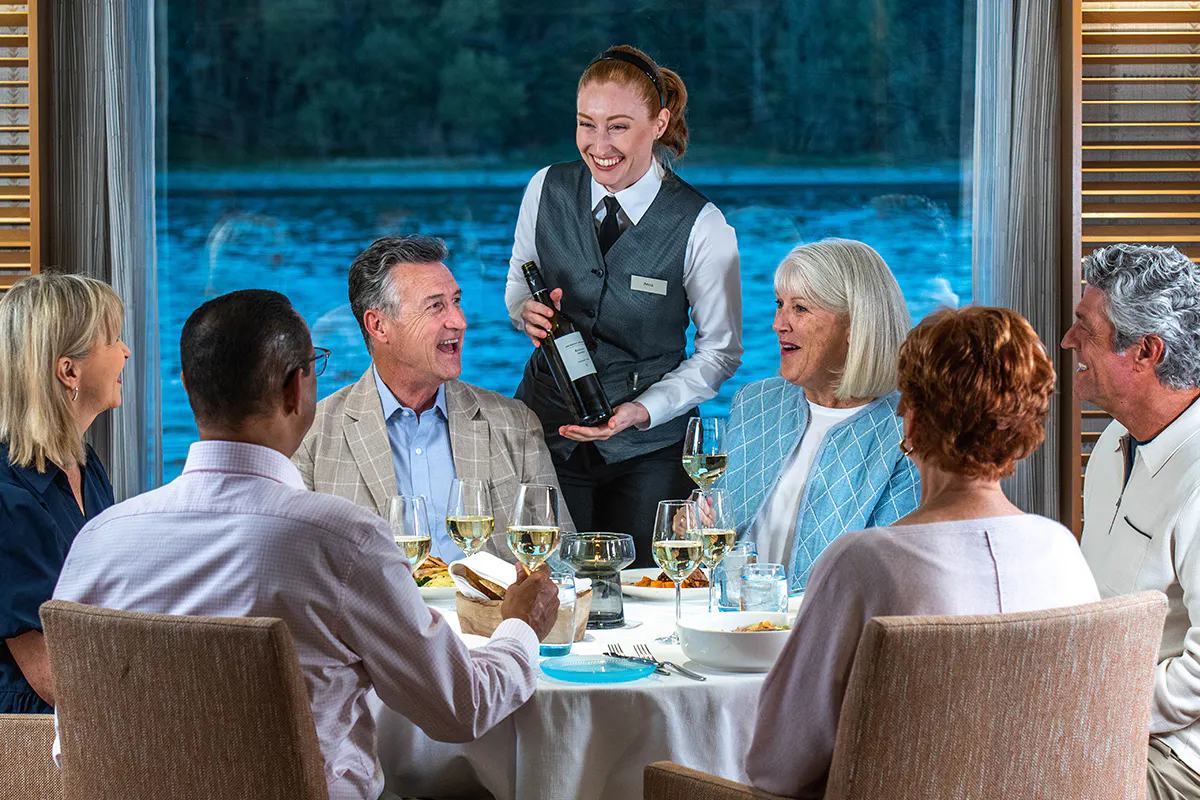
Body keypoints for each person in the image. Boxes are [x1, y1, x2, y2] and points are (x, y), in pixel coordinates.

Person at [53, 290, 560, 800]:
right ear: (298, 389)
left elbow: (67, 745)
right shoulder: (345, 543)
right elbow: (461, 708)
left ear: (188, 389)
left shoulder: (97, 542)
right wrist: (521, 626)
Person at [746, 306, 1100, 798]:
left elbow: (776, 767)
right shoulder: (1062, 551)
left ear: (910, 420)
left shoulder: (863, 565)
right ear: (1027, 424)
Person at [505, 44, 742, 565]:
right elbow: (519, 284)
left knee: (642, 596)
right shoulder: (545, 188)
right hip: (548, 433)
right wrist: (525, 310)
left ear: (659, 124)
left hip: (649, 452)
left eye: (617, 126)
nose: (599, 145)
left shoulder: (704, 227)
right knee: (550, 588)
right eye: (586, 124)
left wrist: (644, 410)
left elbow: (719, 353)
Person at [295, 235, 572, 562]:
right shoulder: (313, 437)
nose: (459, 321)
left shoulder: (515, 425)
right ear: (378, 325)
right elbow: (299, 573)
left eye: (456, 301)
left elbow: (561, 563)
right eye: (435, 306)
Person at [1061, 244, 1200, 800]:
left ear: (1145, 351)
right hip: (1103, 725)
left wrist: (1095, 710)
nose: (1069, 342)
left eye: (1084, 328)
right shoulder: (1114, 445)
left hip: (1175, 759)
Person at [717, 238, 918, 591]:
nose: (779, 323)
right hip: (730, 618)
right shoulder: (755, 403)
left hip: (831, 631)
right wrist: (697, 521)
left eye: (801, 309)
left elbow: (890, 573)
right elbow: (717, 519)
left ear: (856, 326)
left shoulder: (906, 429)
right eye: (779, 305)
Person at [0, 273, 128, 714]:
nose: (125, 352)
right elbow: (54, 678)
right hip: (32, 740)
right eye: (113, 339)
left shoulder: (85, 465)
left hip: (92, 710)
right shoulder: (6, 496)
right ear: (68, 370)